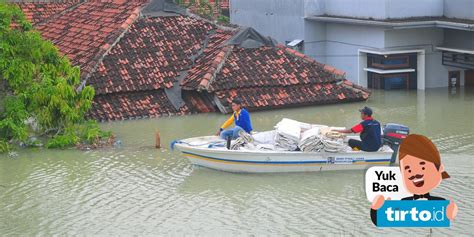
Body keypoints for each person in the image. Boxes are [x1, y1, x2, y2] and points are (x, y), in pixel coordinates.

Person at [370, 134, 458, 225]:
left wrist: (450, 213)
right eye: (408, 169)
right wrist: (376, 209)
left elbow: (449, 217)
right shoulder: (404, 202)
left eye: (422, 166)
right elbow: (382, 220)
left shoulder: (441, 203)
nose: (414, 173)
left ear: (440, 168)